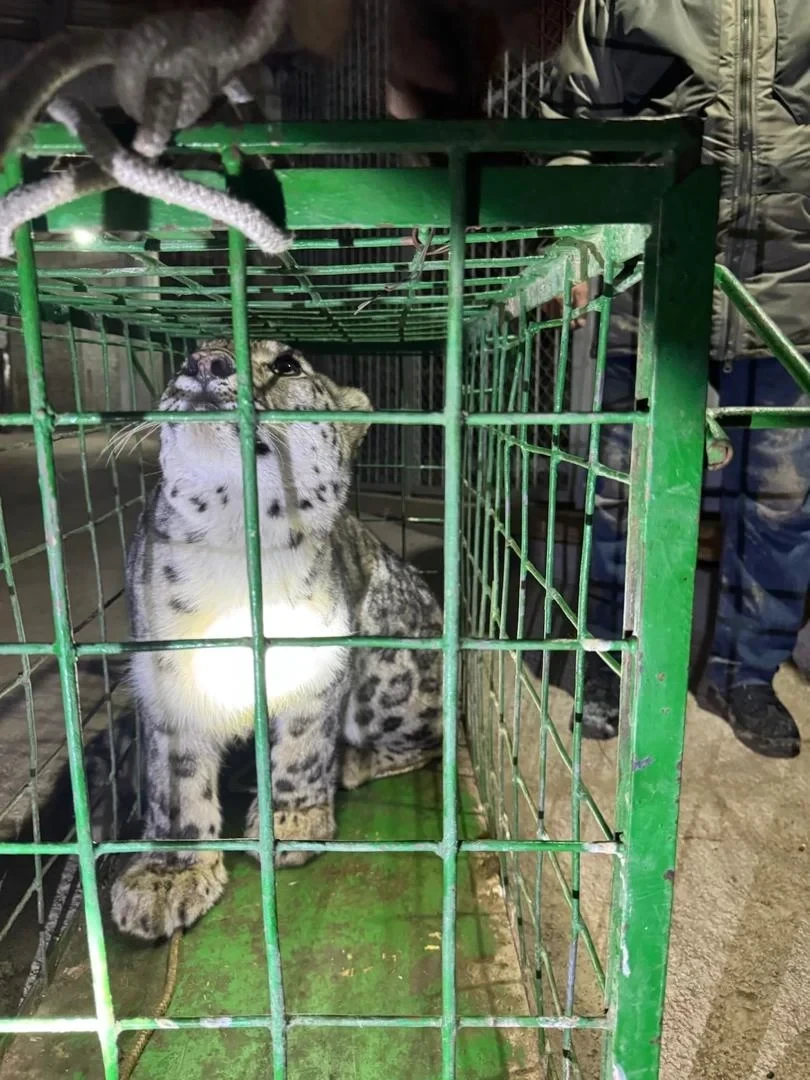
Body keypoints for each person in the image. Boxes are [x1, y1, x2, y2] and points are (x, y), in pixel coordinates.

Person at [539, 1, 810, 758]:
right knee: (622, 486)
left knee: (786, 502)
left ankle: (744, 674)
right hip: (657, 278)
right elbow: (573, 122)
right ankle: (606, 656)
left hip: (796, 294)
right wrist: (577, 235)